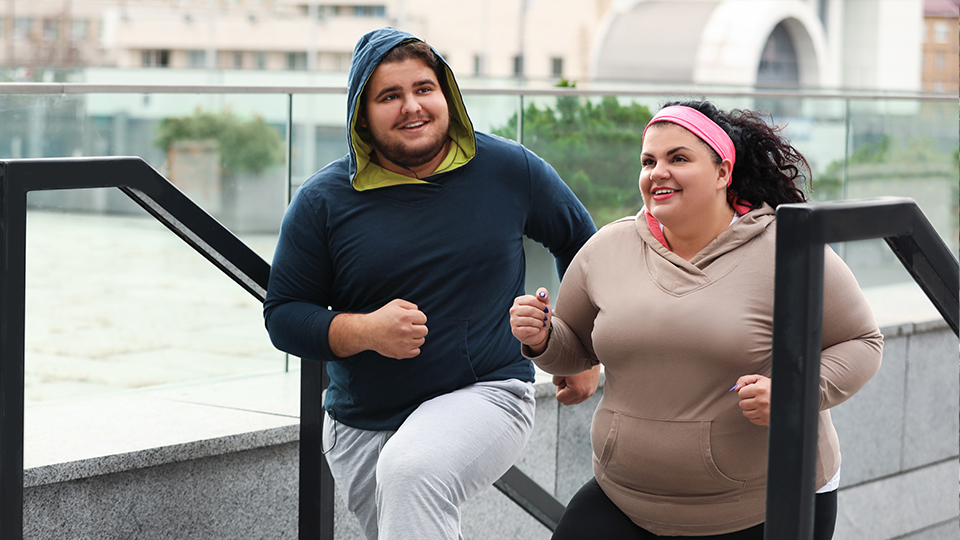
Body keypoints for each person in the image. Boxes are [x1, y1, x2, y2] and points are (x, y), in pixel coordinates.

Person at [263, 27, 598, 540]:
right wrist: (367, 330)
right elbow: (284, 315)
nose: (411, 107)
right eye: (389, 96)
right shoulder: (322, 201)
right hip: (360, 423)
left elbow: (580, 243)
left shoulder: (509, 169)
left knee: (412, 470)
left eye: (424, 88)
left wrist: (579, 350)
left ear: (447, 95)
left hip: (488, 392)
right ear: (362, 113)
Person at [510, 101, 884, 539]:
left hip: (764, 507)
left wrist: (796, 392)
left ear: (724, 172)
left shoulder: (788, 248)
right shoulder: (607, 248)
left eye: (678, 158)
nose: (657, 172)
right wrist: (540, 336)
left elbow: (863, 341)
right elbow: (574, 348)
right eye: (648, 161)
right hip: (624, 498)